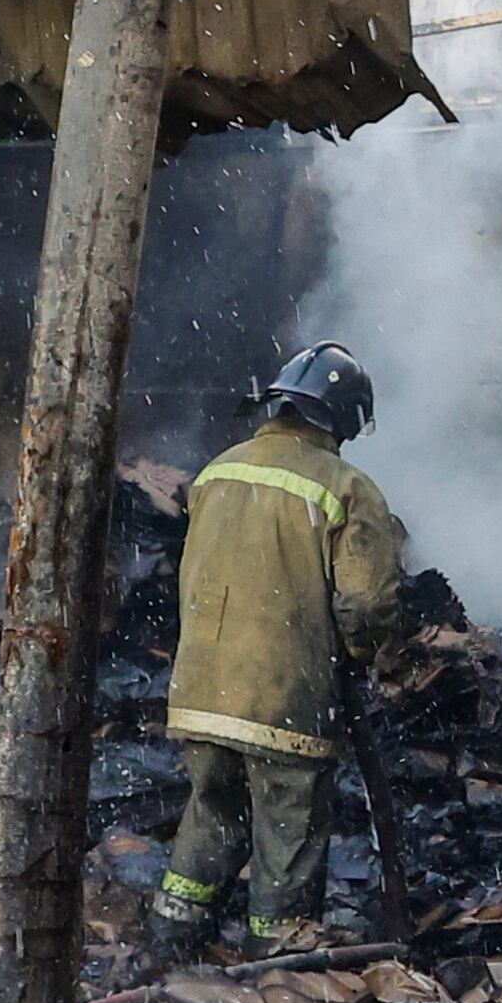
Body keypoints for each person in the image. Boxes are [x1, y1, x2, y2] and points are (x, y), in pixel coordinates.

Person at [157, 341, 406, 961]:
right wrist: (359, 653)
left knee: (214, 811)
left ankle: (172, 938)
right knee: (289, 833)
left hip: (199, 693)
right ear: (342, 418)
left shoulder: (216, 471)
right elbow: (366, 605)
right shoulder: (347, 487)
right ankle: (278, 965)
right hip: (284, 699)